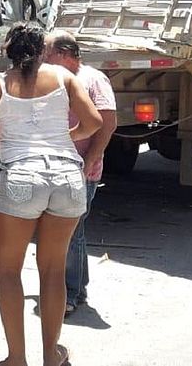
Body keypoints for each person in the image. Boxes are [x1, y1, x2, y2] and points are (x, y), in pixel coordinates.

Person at [0, 22, 102, 366]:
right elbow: (93, 123)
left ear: (7, 50)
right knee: (54, 271)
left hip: (22, 178)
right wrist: (63, 138)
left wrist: (4, 136)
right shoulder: (64, 77)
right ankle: (51, 355)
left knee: (9, 272)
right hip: (67, 178)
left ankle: (16, 359)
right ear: (42, 50)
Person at [44, 30, 118, 316]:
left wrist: (92, 157)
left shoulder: (92, 79)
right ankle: (77, 287)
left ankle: (70, 293)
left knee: (69, 231)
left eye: (47, 52)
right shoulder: (56, 78)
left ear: (63, 54)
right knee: (75, 230)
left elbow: (108, 122)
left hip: (80, 169)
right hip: (61, 167)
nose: (43, 58)